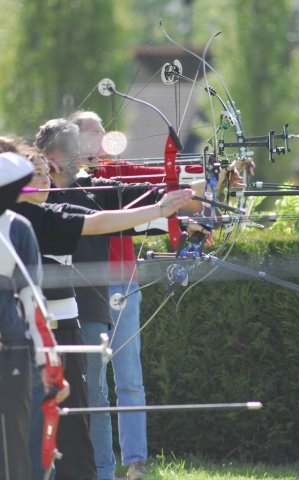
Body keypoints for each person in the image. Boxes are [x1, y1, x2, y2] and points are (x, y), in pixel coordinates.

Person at [34, 117, 208, 480]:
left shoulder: (93, 188)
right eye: (74, 148)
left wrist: (210, 184)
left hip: (89, 306)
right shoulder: (31, 204)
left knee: (90, 393)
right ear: (50, 156)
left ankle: (101, 472)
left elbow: (147, 195)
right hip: (39, 314)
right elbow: (103, 220)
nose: (83, 154)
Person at [69, 110, 170, 480]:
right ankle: (100, 467)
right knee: (93, 386)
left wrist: (211, 174)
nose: (101, 138)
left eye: (102, 131)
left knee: (129, 378)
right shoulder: (65, 183)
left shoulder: (118, 172)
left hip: (123, 283)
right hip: (89, 289)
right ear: (74, 139)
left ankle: (136, 461)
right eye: (92, 132)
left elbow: (165, 178)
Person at [0, 151, 69, 480]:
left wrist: (50, 368)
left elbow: (32, 303)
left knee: (20, 441)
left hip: (13, 341)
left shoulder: (18, 228)